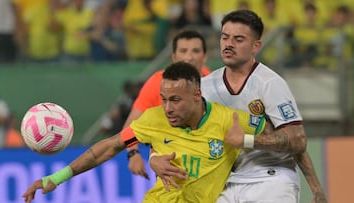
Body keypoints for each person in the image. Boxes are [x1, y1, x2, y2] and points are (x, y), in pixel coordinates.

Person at [22, 62, 266, 203]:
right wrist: (56, 178)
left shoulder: (229, 120)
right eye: (163, 99)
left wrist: (245, 140)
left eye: (175, 100)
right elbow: (108, 147)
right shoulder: (152, 120)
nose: (167, 108)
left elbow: (285, 136)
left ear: (196, 95)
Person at [150, 10, 328, 203]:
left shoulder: (269, 83)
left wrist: (246, 140)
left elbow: (297, 140)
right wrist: (154, 158)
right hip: (228, 182)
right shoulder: (206, 86)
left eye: (238, 39)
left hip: (271, 179)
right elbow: (171, 128)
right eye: (225, 37)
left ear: (255, 46)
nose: (229, 44)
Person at [124, 29, 211, 178]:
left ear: (205, 56)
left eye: (195, 51)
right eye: (183, 51)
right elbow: (129, 127)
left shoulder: (215, 83)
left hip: (209, 169)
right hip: (171, 171)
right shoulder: (157, 82)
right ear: (174, 56)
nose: (189, 57)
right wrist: (133, 154)